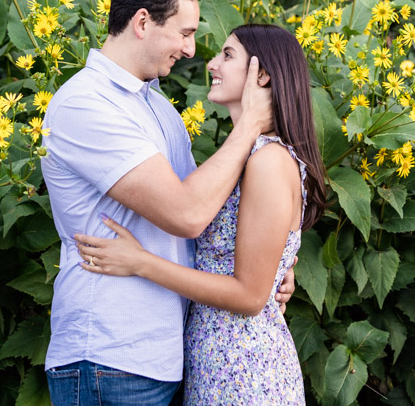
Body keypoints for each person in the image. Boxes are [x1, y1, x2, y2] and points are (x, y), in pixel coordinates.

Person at [41, 0, 294, 406]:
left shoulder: (157, 109)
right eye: (185, 33)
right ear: (142, 22)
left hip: (166, 354)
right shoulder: (86, 103)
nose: (193, 51)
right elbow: (188, 214)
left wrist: (274, 264)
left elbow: (212, 202)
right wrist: (250, 123)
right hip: (108, 355)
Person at [74, 24, 327, 405]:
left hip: (247, 373)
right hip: (220, 365)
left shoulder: (269, 161)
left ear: (262, 75)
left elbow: (250, 296)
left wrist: (141, 263)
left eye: (227, 55)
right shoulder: (248, 155)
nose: (211, 63)